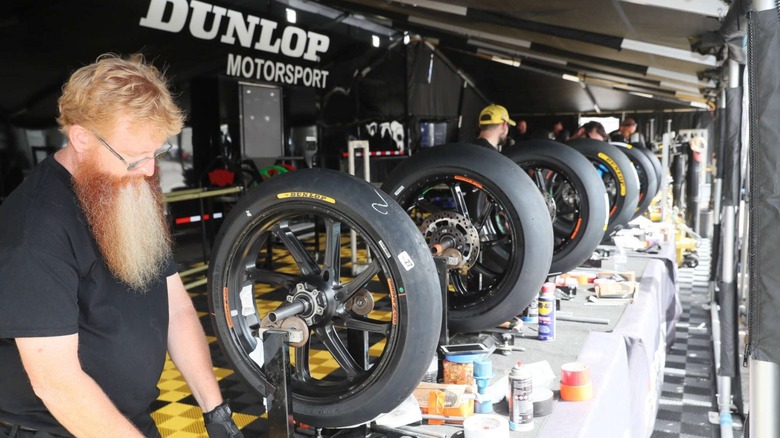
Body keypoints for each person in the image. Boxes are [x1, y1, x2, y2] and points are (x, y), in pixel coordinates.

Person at [0, 54, 242, 438]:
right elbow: (58, 384)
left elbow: (175, 306)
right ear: (80, 137)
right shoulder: (34, 232)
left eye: (156, 153)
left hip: (128, 422)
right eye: (134, 157)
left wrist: (216, 411)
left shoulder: (125, 191)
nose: (148, 170)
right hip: (59, 427)